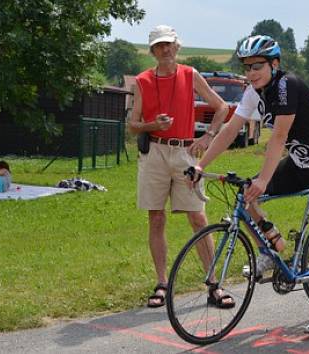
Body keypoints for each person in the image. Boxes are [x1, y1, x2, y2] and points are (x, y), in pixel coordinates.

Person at [188, 35, 309, 335]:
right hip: (300, 164)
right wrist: (200, 165)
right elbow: (229, 130)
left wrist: (264, 178)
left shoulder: (288, 86)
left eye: (257, 66)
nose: (251, 73)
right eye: (247, 67)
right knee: (246, 196)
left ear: (275, 64)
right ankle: (271, 246)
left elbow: (278, 137)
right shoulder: (253, 92)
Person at [127, 25, 231, 308]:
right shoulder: (142, 81)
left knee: (198, 217)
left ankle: (214, 284)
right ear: (152, 51)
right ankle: (162, 283)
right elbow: (133, 125)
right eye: (159, 46)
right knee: (156, 217)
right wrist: (152, 125)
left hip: (185, 151)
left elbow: (221, 107)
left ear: (177, 47)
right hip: (155, 154)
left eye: (168, 44)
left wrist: (208, 136)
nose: (164, 49)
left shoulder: (190, 74)